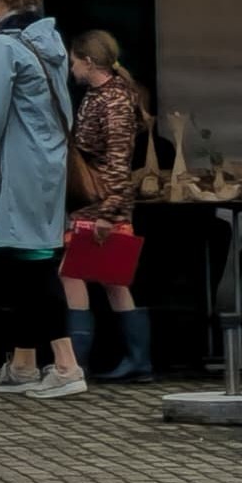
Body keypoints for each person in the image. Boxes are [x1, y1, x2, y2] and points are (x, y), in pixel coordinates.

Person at [0, 0, 81, 395]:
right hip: (45, 165)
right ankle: (22, 363)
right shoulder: (49, 41)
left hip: (15, 169)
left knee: (33, 268)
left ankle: (67, 366)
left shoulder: (2, 47)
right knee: (20, 265)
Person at [60, 28, 153, 386]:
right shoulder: (109, 95)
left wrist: (108, 211)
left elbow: (117, 159)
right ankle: (136, 360)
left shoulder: (111, 101)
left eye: (73, 63)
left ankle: (77, 363)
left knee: (72, 274)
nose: (71, 70)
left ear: (87, 61)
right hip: (103, 203)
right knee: (113, 281)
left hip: (98, 204)